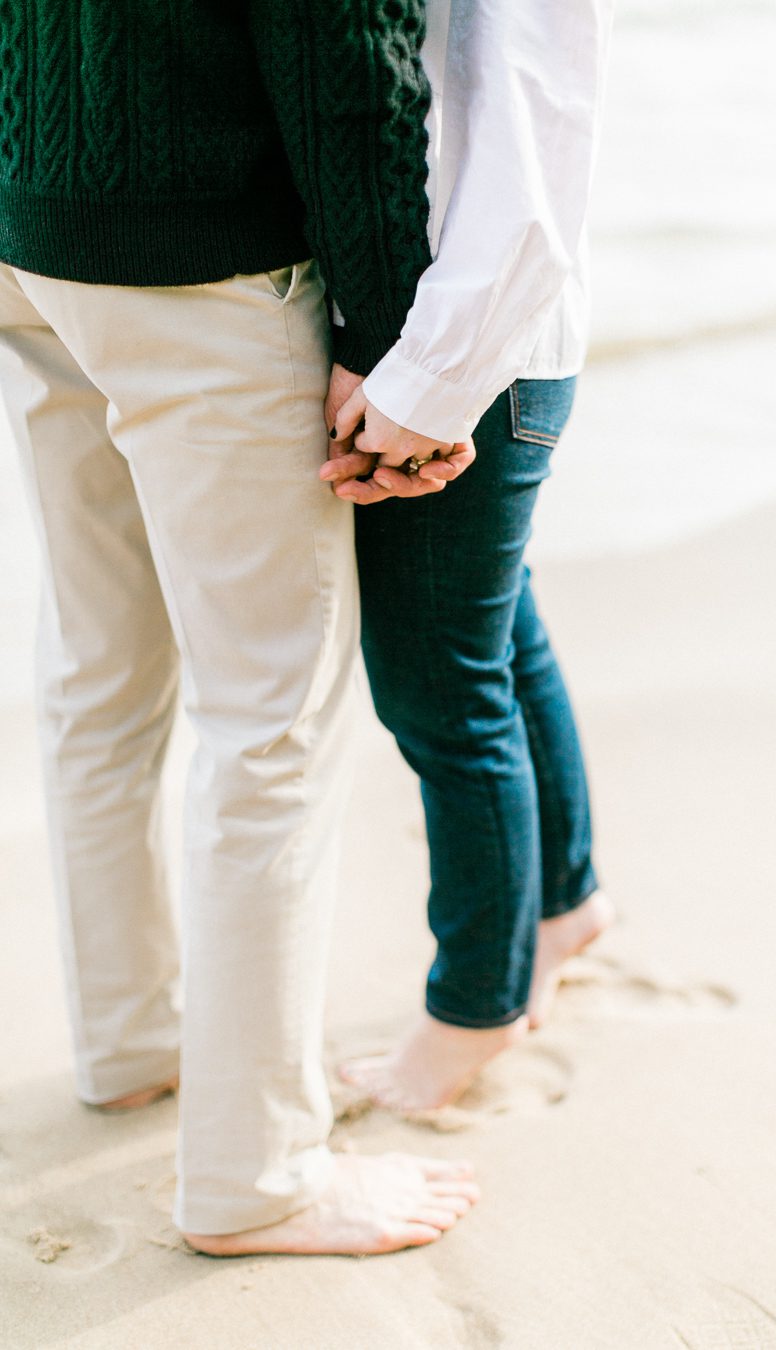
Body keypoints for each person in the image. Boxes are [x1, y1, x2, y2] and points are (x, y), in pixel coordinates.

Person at [0, 1, 478, 1257]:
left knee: (100, 667)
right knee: (268, 724)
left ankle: (131, 1042)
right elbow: (346, 57)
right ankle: (255, 1177)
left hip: (37, 231)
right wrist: (390, 337)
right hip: (201, 263)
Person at [322, 0, 617, 1111]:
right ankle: (565, 904)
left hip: (471, 357)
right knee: (496, 631)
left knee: (441, 690)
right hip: (482, 346)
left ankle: (472, 1012)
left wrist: (427, 381)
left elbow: (530, 163)